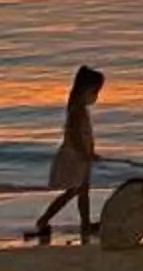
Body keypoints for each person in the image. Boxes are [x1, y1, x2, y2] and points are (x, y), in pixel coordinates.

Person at [31, 64, 104, 242]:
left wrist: (90, 152)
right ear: (85, 89)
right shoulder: (76, 110)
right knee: (73, 191)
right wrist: (83, 153)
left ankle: (85, 223)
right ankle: (44, 220)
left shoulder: (80, 109)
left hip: (82, 155)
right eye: (95, 91)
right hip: (74, 156)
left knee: (84, 191)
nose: (96, 96)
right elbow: (74, 134)